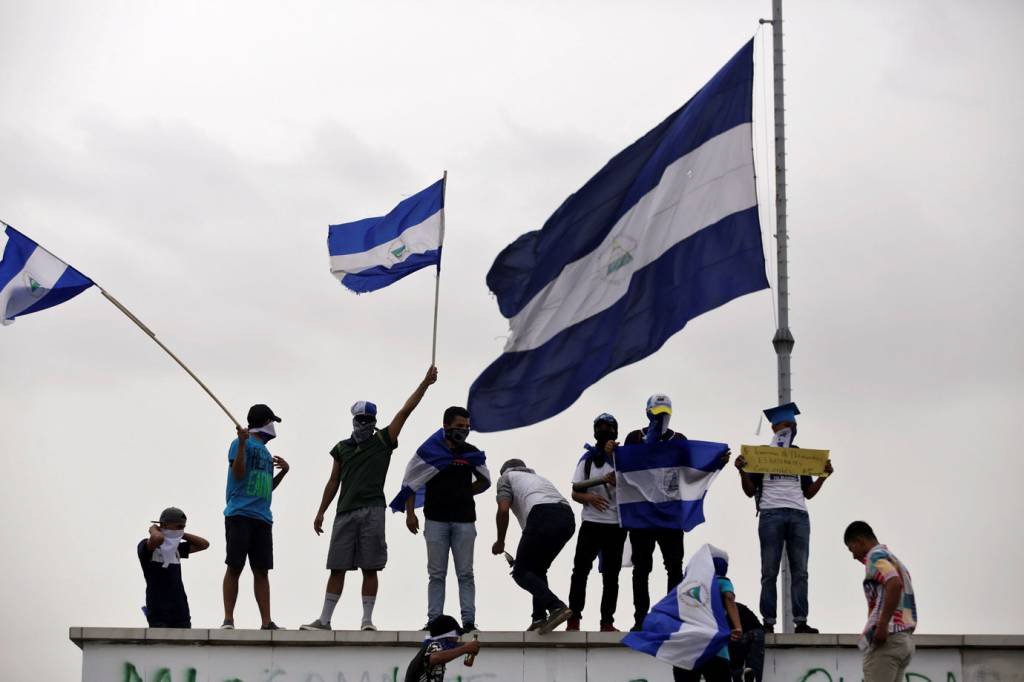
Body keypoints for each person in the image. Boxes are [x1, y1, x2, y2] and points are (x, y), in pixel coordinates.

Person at [302, 366, 438, 632]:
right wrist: (321, 511)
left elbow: (404, 412)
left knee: (370, 566)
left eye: (368, 419)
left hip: (373, 509)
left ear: (375, 420)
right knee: (337, 567)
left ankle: (367, 620)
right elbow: (333, 481)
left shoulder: (383, 440)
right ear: (353, 419)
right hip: (345, 510)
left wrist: (424, 384)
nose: (364, 423)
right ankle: (325, 620)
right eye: (361, 418)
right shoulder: (342, 447)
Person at [734, 402, 831, 633]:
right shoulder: (760, 456)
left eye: (794, 425)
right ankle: (768, 622)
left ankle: (801, 620)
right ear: (775, 428)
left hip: (798, 514)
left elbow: (808, 492)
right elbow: (749, 491)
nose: (792, 428)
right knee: (769, 571)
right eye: (788, 424)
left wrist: (823, 477)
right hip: (771, 513)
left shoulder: (800, 457)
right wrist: (741, 471)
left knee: (801, 571)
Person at [401, 406, 490, 633]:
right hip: (435, 520)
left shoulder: (471, 452)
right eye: (459, 426)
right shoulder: (430, 451)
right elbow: (410, 482)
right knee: (436, 574)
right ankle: (434, 622)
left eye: (467, 427)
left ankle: (469, 622)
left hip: (465, 520)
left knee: (466, 574)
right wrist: (410, 514)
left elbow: (485, 480)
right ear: (446, 426)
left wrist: (464, 491)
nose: (463, 431)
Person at [222, 404, 289, 630]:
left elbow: (265, 488)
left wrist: (283, 473)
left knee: (261, 570)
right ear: (265, 422)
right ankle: (228, 619)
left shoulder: (266, 452)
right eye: (273, 422)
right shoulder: (241, 443)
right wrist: (241, 444)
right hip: (240, 514)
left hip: (262, 517)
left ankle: (267, 621)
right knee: (234, 566)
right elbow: (238, 472)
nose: (274, 427)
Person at [624, 394, 687, 632]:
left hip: (670, 515)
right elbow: (625, 469)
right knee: (642, 568)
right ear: (648, 412)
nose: (661, 416)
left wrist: (714, 460)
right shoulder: (634, 437)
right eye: (657, 411)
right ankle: (641, 617)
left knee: (673, 566)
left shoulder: (679, 439)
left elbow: (691, 470)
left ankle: (672, 616)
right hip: (642, 514)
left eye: (665, 412)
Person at [491, 458, 575, 634]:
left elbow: (503, 509)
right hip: (567, 518)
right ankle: (539, 618)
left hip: (542, 515)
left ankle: (556, 606)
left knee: (520, 572)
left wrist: (500, 541)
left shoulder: (506, 477)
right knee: (537, 570)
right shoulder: (538, 479)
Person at [567, 413, 627, 632]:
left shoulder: (624, 458)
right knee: (580, 571)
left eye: (608, 427)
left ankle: (607, 621)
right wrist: (589, 497)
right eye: (600, 427)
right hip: (591, 522)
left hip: (616, 524)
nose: (605, 431)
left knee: (612, 576)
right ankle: (573, 618)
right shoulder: (588, 458)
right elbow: (575, 491)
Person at [844, 521, 917, 682]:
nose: (853, 556)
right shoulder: (894, 560)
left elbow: (894, 583)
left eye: (851, 548)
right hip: (903, 640)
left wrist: (882, 625)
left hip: (888, 640)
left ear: (860, 541)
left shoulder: (875, 557)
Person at [672, 547, 743, 682]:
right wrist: (738, 627)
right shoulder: (720, 581)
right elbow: (729, 598)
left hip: (685, 651)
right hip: (714, 648)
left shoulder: (684, 587)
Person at [138, 506, 209, 628]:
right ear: (164, 525)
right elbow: (157, 538)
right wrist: (154, 529)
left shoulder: (176, 549)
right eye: (178, 527)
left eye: (183, 527)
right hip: (158, 610)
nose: (180, 530)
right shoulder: (146, 546)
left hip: (180, 610)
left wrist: (181, 534)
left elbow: (204, 544)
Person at [403, 614, 481, 682]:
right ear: (448, 636)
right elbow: (434, 658)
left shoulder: (432, 646)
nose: (457, 639)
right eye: (456, 635)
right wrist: (464, 649)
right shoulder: (435, 644)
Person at [728, 602, 765, 682]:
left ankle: (739, 674)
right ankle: (746, 674)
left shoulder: (718, 610)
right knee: (753, 672)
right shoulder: (738, 607)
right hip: (756, 634)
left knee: (732, 669)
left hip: (740, 636)